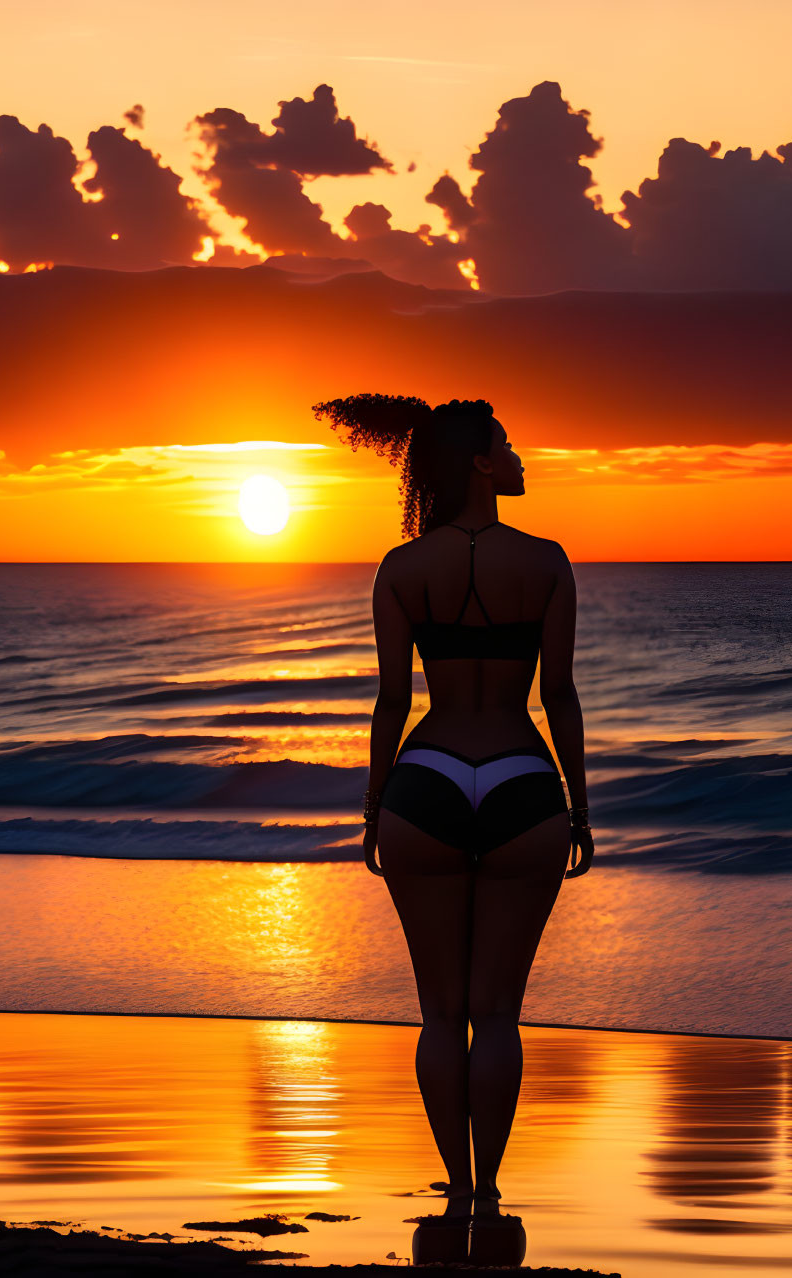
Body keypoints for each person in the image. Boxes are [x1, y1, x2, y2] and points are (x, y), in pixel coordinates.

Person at [311, 392, 594, 1228]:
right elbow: (560, 697)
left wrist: (372, 807)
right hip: (518, 777)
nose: (516, 456)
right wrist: (578, 809)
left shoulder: (400, 570)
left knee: (440, 1014)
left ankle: (456, 1189)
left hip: (425, 780)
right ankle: (492, 1192)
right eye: (505, 443)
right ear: (477, 461)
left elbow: (392, 700)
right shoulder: (546, 561)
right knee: (497, 1016)